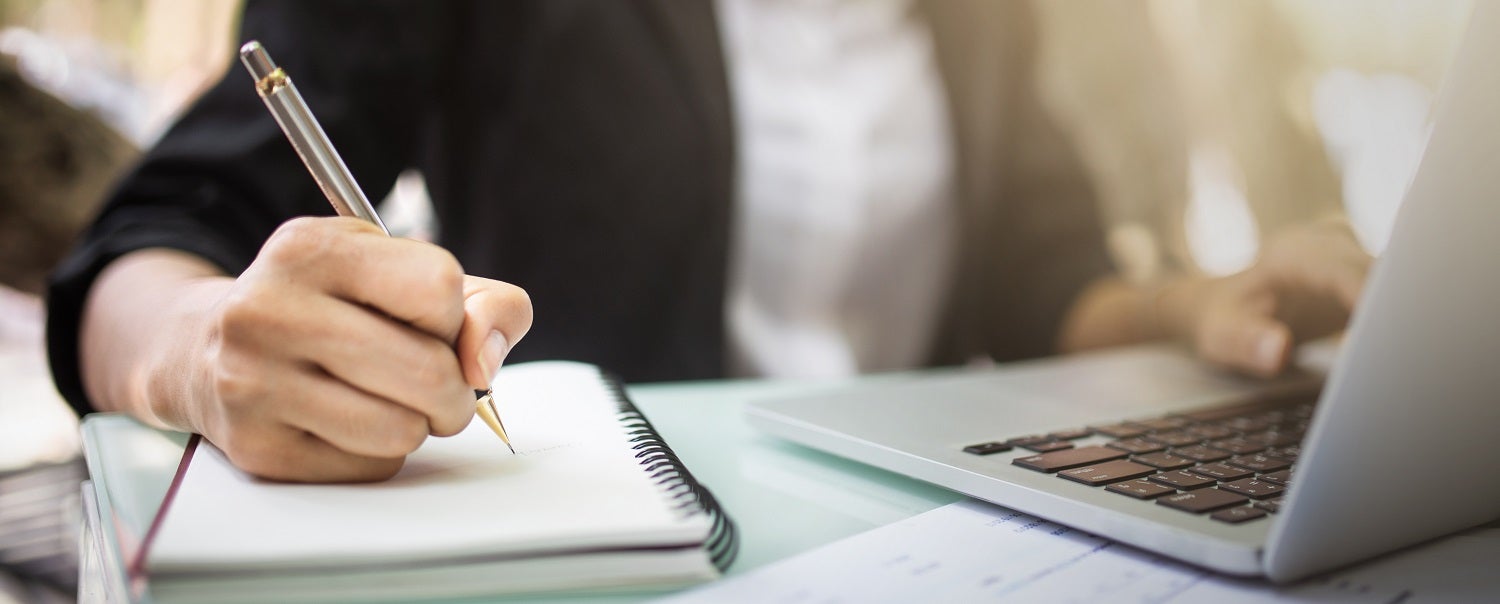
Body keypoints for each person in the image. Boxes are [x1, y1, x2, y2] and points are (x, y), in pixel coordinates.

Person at [47, 1, 1368, 483]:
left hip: (913, 538)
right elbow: (152, 242)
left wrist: (1197, 309)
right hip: (603, 543)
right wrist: (197, 354)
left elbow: (1041, 280)